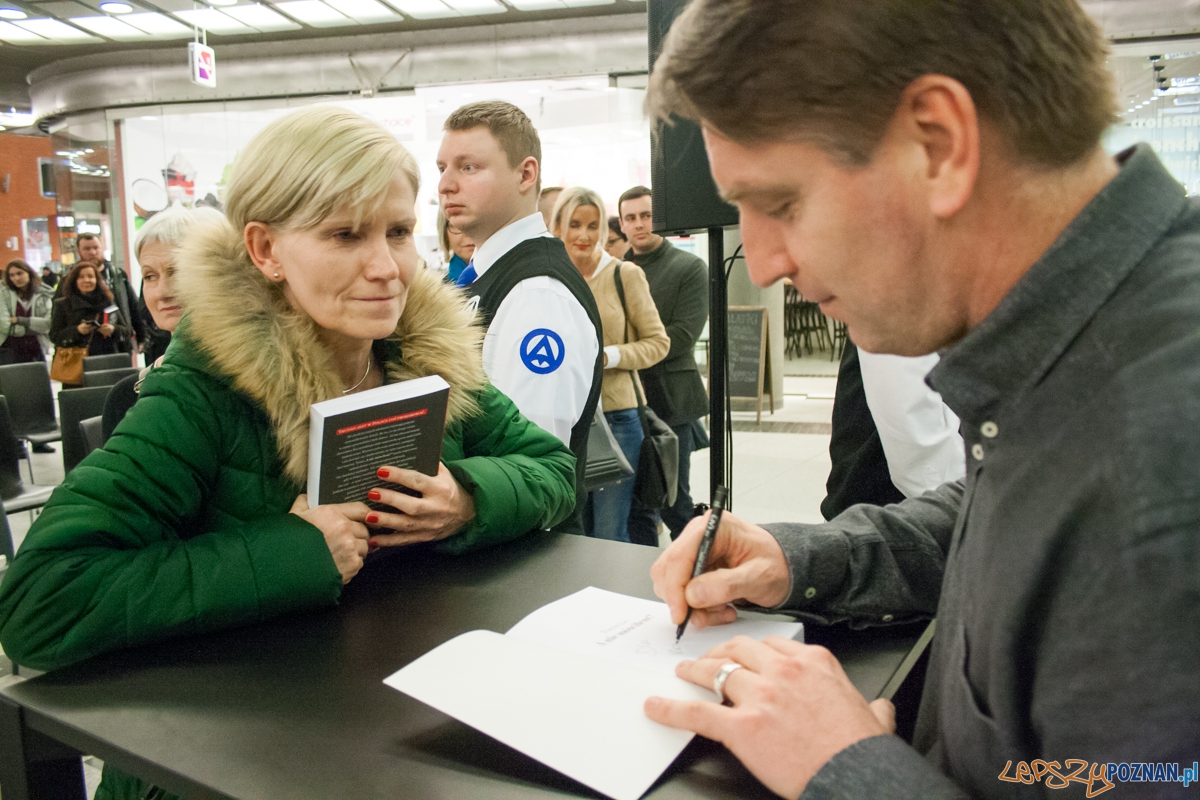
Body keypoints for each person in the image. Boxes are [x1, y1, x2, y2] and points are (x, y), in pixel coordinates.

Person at [642, 2, 1200, 798]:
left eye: (781, 203)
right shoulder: (1101, 353)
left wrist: (850, 772)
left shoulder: (1164, 480)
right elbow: (1017, 526)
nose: (760, 263)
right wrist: (806, 558)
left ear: (939, 146)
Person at [0, 106, 577, 800]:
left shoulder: (424, 362)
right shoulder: (201, 394)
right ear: (266, 250)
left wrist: (467, 498)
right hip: (222, 760)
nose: (386, 267)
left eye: (397, 231)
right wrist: (292, 553)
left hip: (385, 732)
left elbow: (550, 468)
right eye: (343, 234)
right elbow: (40, 602)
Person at [438, 101, 603, 536]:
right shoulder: (492, 275)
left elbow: (533, 468)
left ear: (526, 174)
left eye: (469, 167)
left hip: (520, 552)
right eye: (442, 168)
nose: (446, 184)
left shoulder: (537, 294)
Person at [551, 186, 669, 543]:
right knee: (572, 533)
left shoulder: (623, 275)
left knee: (608, 532)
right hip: (566, 422)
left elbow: (658, 343)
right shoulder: (549, 278)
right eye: (574, 224)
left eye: (592, 225)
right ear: (558, 227)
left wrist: (608, 356)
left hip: (617, 419)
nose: (583, 235)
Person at [619, 186, 709, 544]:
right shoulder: (614, 270)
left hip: (672, 400)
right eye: (631, 218)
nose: (639, 224)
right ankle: (644, 578)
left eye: (646, 215)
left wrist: (622, 352)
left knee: (674, 499)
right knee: (635, 505)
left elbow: (682, 336)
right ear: (622, 224)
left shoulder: (688, 267)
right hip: (626, 399)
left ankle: (698, 573)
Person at [100, 205, 225, 440]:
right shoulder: (128, 396)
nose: (162, 292)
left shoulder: (265, 383)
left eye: (177, 271)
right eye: (149, 276)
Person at [49, 261, 133, 379]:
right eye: (81, 277)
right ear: (74, 281)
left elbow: (127, 331)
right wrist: (77, 330)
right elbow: (54, 336)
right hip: (76, 364)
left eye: (90, 276)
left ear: (97, 280)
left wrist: (113, 329)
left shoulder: (108, 301)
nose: (86, 280)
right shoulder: (63, 304)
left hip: (107, 362)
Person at [76, 232, 143, 352]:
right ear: (79, 251)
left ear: (102, 248)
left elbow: (132, 307)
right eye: (86, 249)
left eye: (95, 248)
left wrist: (141, 336)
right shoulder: (71, 279)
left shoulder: (117, 275)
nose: (92, 252)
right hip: (82, 349)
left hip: (118, 343)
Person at [1, 259, 54, 364]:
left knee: (37, 378)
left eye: (19, 273)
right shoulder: (4, 294)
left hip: (37, 346)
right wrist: (34, 325)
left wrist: (18, 320)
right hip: (10, 347)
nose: (16, 278)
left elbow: (47, 324)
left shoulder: (45, 293)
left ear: (29, 273)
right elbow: (3, 323)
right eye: (12, 275)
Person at [437, 208, 476, 284]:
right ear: (445, 235)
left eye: (475, 224)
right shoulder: (436, 289)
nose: (467, 234)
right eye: (457, 226)